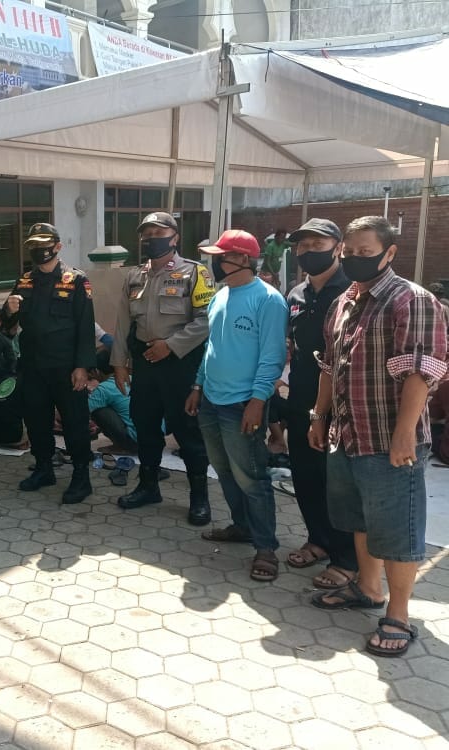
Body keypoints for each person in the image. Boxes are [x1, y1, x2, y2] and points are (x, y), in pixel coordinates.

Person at [309, 215, 447, 658]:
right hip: (347, 434)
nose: (354, 260)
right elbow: (330, 365)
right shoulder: (346, 301)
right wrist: (319, 415)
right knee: (358, 519)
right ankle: (368, 590)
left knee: (398, 529)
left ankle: (399, 615)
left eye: (365, 253)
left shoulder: (411, 300)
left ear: (389, 253)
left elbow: (422, 373)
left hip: (390, 440)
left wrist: (405, 433)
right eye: (349, 253)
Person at [185, 229, 288, 582]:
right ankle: (241, 526)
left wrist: (258, 402)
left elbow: (272, 358)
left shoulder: (268, 300)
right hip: (212, 399)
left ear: (242, 260)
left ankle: (265, 547)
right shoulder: (221, 295)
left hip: (243, 403)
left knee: (252, 476)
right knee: (225, 470)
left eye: (219, 256)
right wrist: (198, 385)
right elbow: (212, 347)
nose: (212, 263)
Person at [111, 212, 214, 525]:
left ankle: (199, 498)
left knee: (186, 430)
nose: (152, 237)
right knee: (145, 425)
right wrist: (119, 363)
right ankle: (148, 485)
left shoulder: (196, 273)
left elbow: (207, 319)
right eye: (147, 233)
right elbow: (122, 322)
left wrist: (171, 344)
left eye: (159, 231)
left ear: (175, 238)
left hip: (179, 362)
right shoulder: (134, 276)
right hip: (144, 362)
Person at [281, 219, 356, 589]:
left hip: (342, 408)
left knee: (338, 484)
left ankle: (347, 559)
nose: (308, 250)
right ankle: (318, 541)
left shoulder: (353, 293)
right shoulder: (295, 295)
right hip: (301, 401)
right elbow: (290, 346)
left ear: (338, 247)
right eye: (302, 245)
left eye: (317, 243)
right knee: (306, 477)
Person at [2, 222, 95, 504]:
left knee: (74, 423)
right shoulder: (25, 280)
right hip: (33, 365)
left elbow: (85, 326)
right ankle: (44, 468)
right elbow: (9, 327)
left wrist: (82, 367)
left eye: (45, 245)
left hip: (66, 366)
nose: (39, 250)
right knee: (37, 421)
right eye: (34, 246)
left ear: (57, 246)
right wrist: (9, 311)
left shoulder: (76, 280)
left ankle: (81, 477)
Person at [87, 353, 137, 454]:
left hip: (136, 442)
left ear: (95, 371)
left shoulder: (104, 388)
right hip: (156, 439)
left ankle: (124, 446)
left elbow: (82, 411)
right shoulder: (132, 379)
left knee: (99, 411)